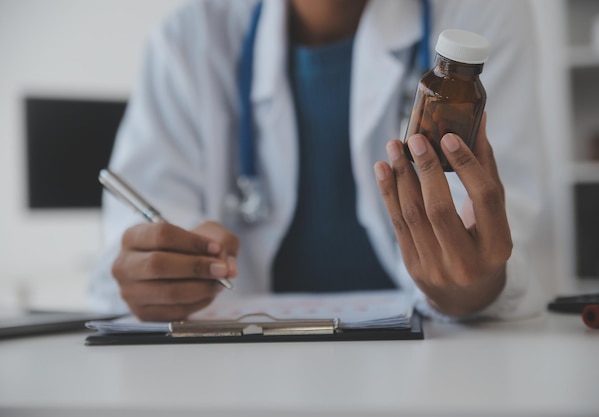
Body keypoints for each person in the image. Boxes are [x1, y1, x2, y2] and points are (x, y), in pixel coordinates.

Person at [89, 0, 545, 322]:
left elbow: (506, 239)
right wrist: (164, 266)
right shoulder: (188, 39)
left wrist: (473, 285)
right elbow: (131, 246)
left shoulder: (482, 12)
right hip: (241, 374)